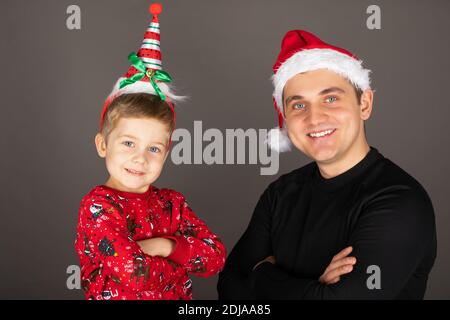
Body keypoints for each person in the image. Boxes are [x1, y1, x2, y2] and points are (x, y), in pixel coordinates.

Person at [217, 30, 436, 299]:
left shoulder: (399, 200)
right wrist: (316, 288)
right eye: (298, 105)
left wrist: (262, 274)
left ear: (364, 104)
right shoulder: (280, 194)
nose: (314, 118)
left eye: (330, 99)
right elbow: (229, 287)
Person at [75, 3, 225, 300]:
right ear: (103, 145)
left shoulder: (172, 203)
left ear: (166, 153)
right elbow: (135, 274)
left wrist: (165, 246)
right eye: (128, 143)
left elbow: (216, 258)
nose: (140, 157)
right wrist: (181, 265)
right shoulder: (98, 207)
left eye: (154, 148)